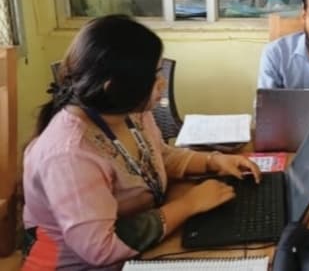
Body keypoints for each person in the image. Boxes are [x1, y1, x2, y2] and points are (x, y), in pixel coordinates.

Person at [22, 15, 262, 270]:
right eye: (154, 75)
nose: (162, 83)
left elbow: (158, 156)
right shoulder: (70, 154)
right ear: (114, 88)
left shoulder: (129, 113)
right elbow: (101, 247)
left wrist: (213, 162)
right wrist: (189, 204)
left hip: (143, 250)